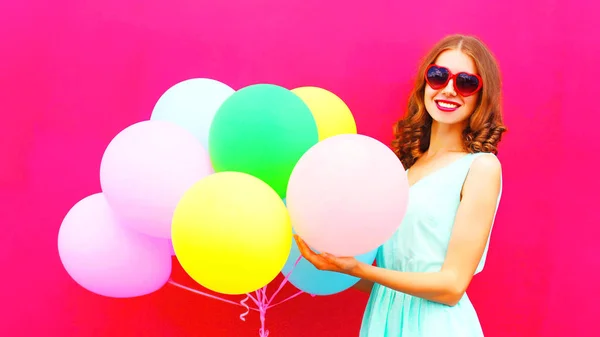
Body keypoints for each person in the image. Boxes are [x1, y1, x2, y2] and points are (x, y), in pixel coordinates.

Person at [294, 34, 506, 336]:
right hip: (384, 320)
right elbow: (385, 278)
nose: (448, 89)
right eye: (438, 76)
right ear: (424, 84)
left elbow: (452, 286)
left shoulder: (480, 167)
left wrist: (360, 270)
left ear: (481, 96)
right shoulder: (403, 170)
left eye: (466, 83)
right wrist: (338, 265)